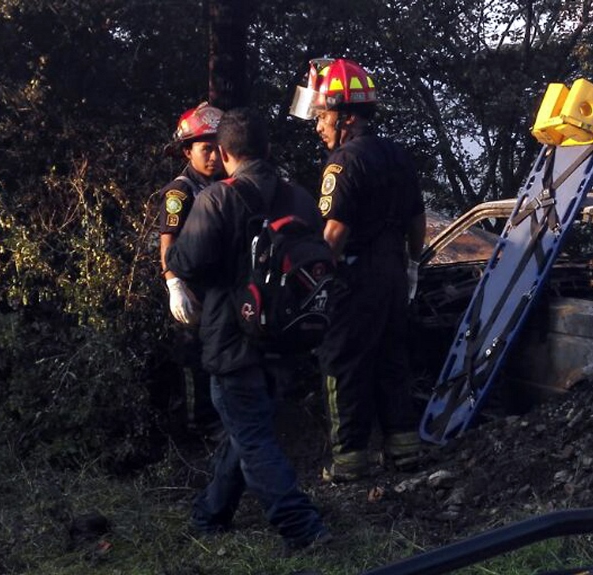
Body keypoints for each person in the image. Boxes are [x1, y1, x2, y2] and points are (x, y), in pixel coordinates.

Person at [166, 107, 330, 549]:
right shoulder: (300, 198)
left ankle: (303, 528)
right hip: (289, 335)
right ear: (268, 148)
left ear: (224, 153)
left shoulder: (217, 199)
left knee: (252, 436)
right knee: (247, 428)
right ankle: (210, 513)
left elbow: (184, 261)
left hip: (232, 337)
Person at [289, 57, 426, 482]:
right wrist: (413, 264)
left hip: (354, 277)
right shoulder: (397, 155)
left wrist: (311, 283)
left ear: (346, 117)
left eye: (322, 116)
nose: (318, 126)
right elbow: (417, 219)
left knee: (342, 361)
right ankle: (404, 448)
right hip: (393, 274)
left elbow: (334, 233)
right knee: (391, 357)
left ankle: (349, 459)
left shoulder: (343, 162)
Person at [156, 102, 224, 436]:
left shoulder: (227, 184)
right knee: (192, 356)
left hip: (220, 285)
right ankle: (197, 425)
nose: (213, 157)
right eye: (205, 149)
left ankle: (218, 419)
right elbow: (167, 242)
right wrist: (174, 285)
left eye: (217, 149)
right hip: (192, 288)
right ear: (188, 151)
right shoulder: (180, 191)